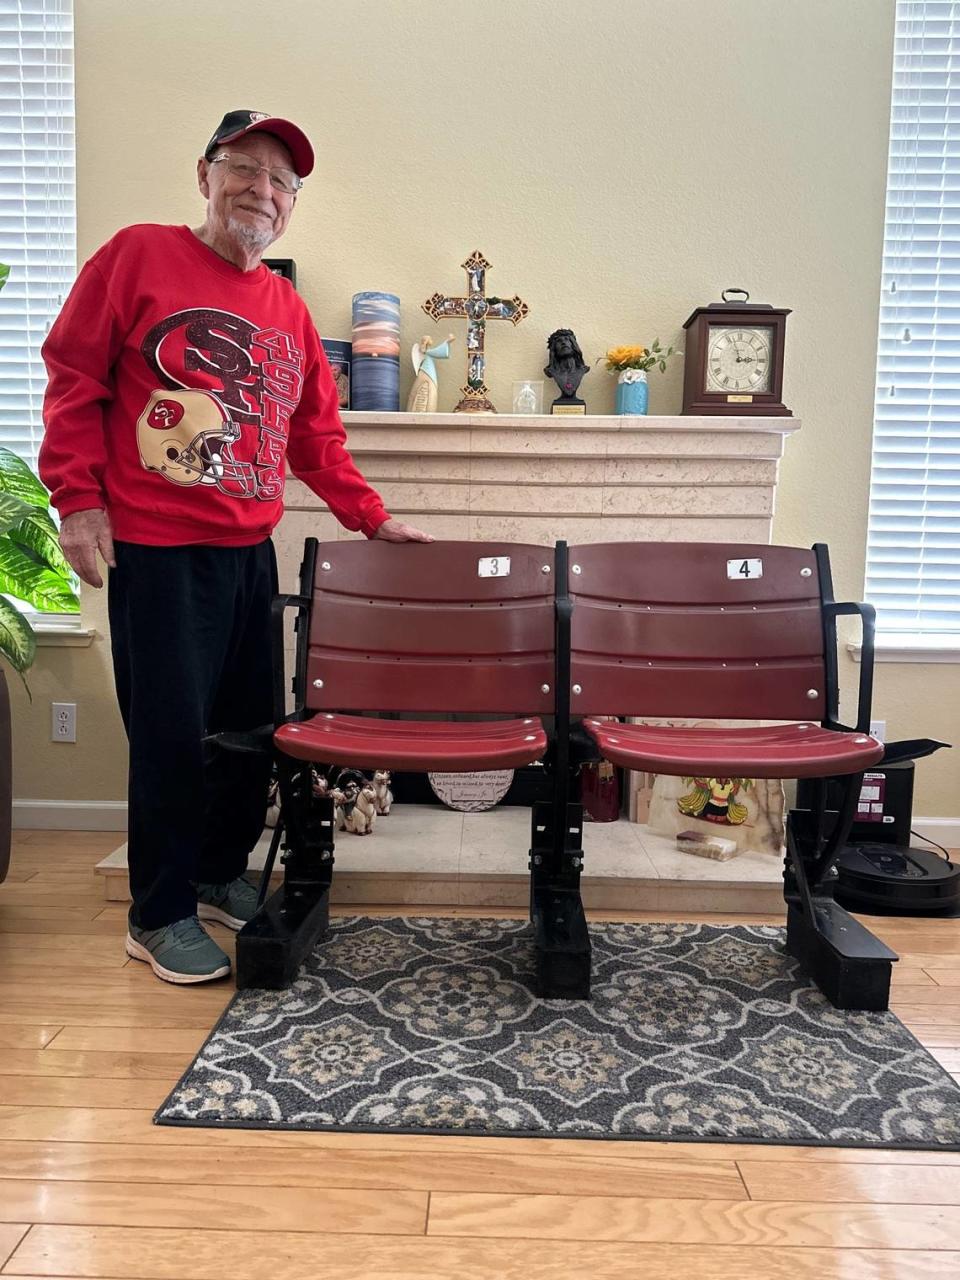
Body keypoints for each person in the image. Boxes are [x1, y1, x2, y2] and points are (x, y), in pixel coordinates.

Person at [39, 110, 431, 985]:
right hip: (157, 547)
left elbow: (316, 440)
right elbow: (73, 380)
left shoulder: (287, 309)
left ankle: (217, 872)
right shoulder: (136, 255)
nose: (262, 189)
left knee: (250, 731)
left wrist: (371, 517)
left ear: (293, 205)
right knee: (173, 737)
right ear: (205, 174)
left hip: (248, 548)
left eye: (282, 181)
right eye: (244, 168)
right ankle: (159, 912)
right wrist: (77, 502)